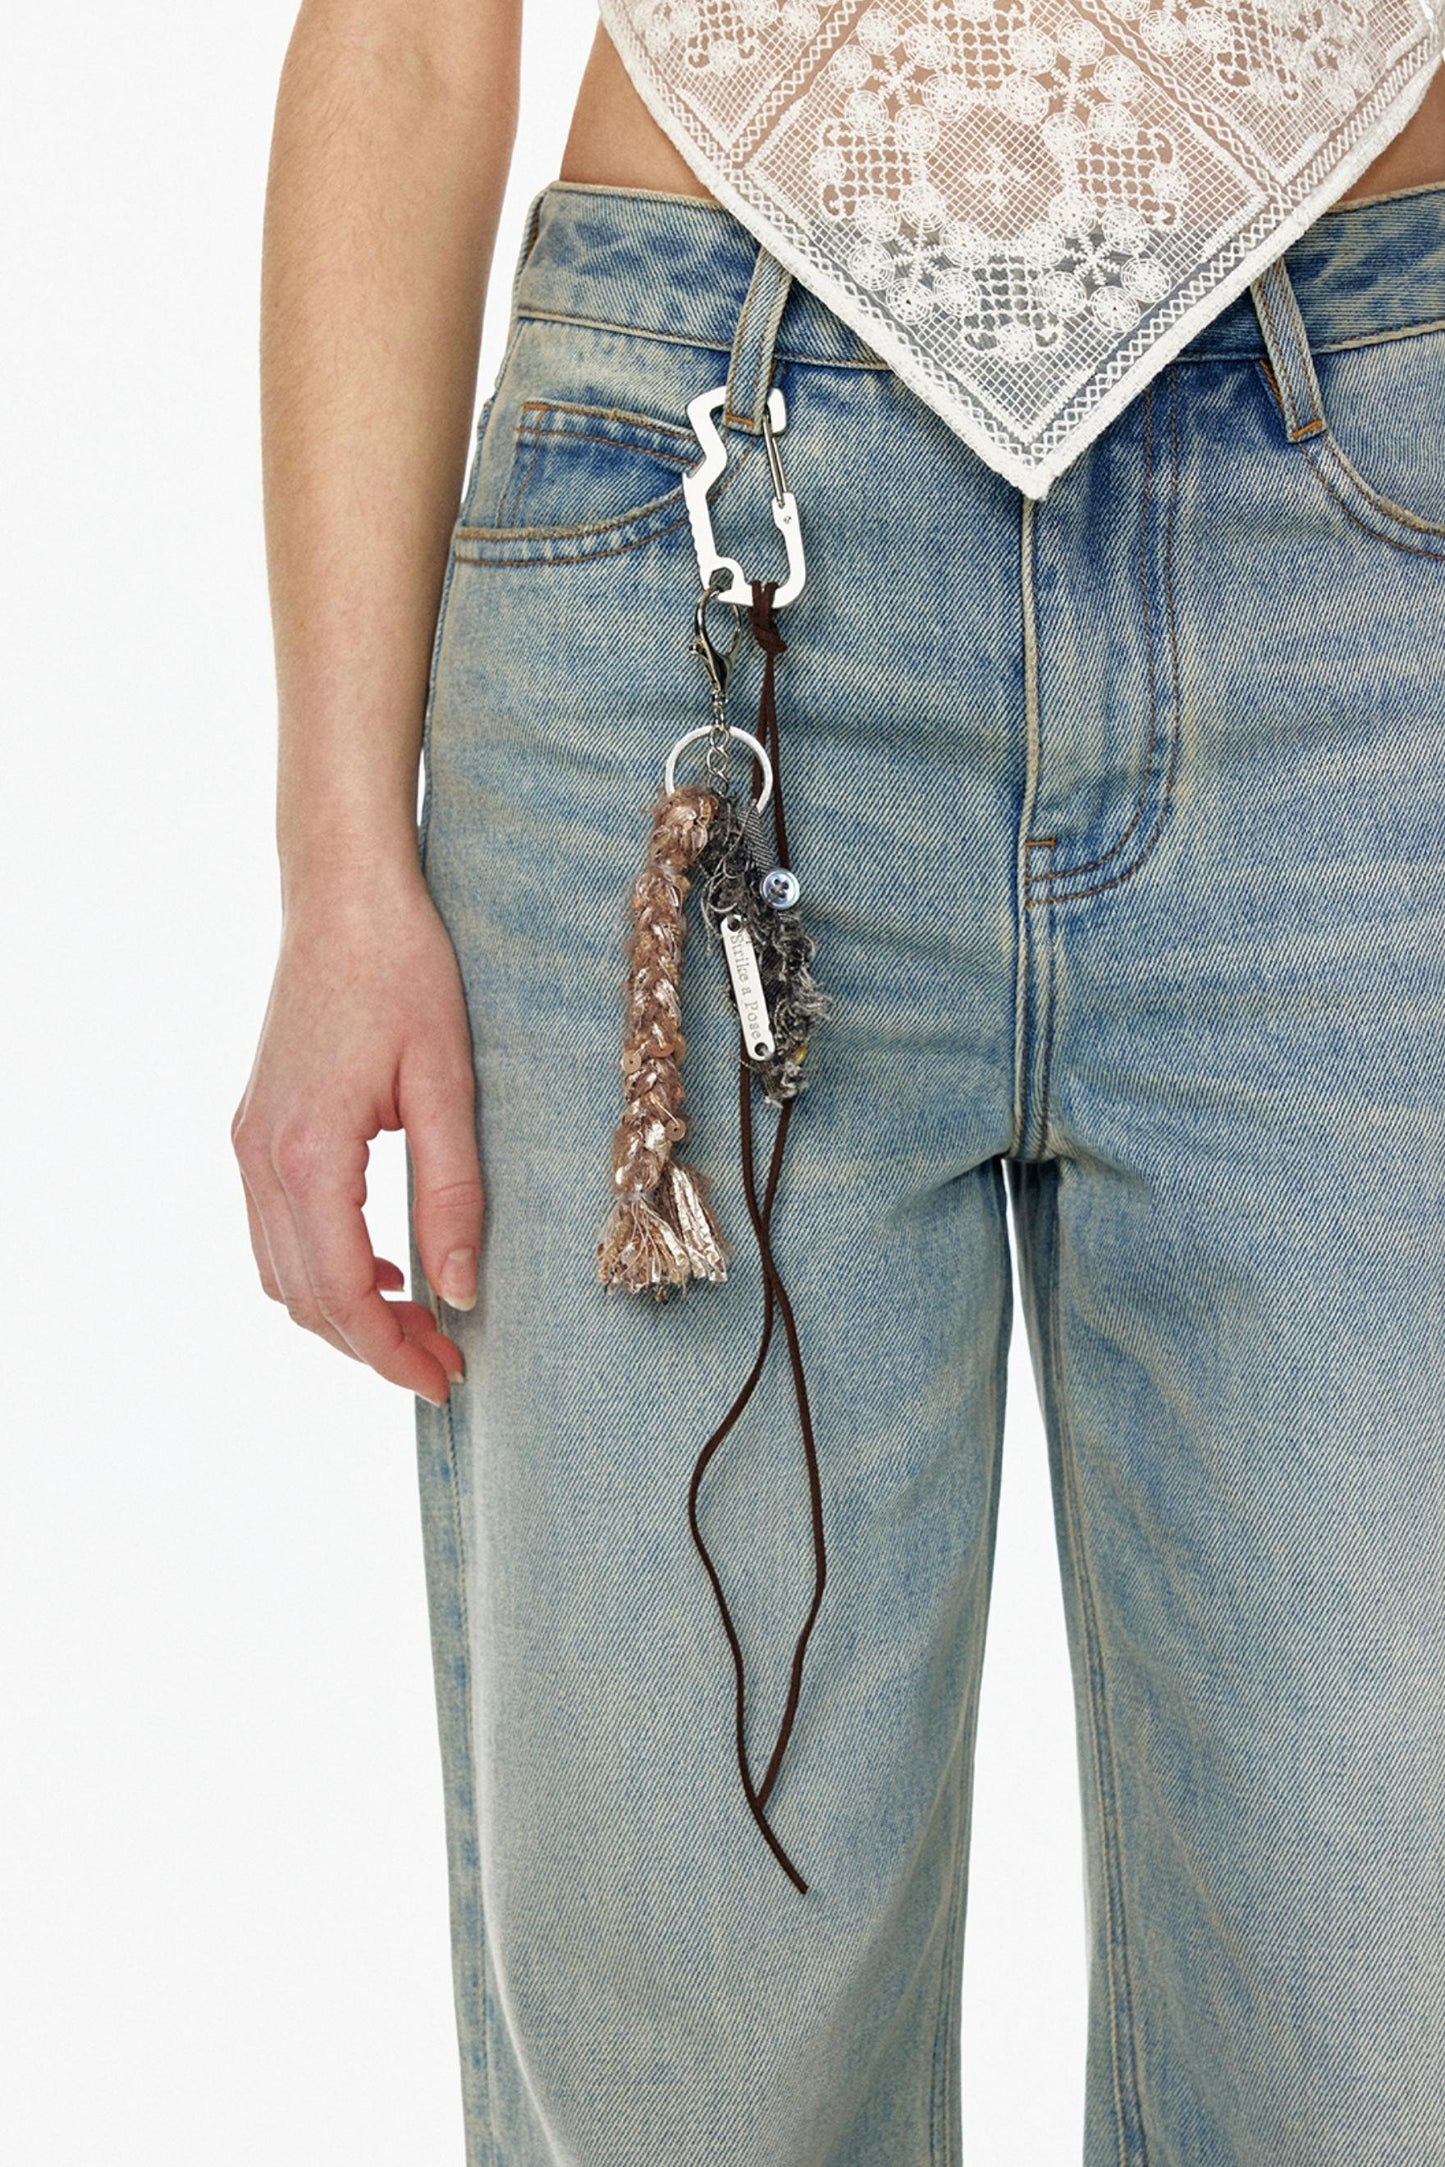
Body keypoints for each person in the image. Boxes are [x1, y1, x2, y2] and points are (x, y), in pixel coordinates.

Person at [232, 2, 1445, 2160]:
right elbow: (407, 39)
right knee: (697, 2063)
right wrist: (342, 869)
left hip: (1371, 588)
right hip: (694, 536)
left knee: (1389, 2040)